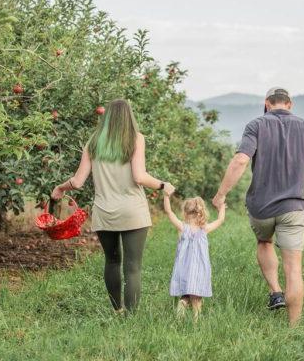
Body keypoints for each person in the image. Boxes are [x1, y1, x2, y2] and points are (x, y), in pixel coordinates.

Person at [212, 87, 304, 327]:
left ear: (267, 103)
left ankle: (275, 291)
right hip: (293, 207)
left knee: (265, 242)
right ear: (289, 104)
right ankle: (294, 327)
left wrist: (220, 195)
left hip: (261, 207)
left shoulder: (256, 125)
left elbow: (240, 160)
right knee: (294, 269)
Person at [51, 99, 175, 313]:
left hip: (104, 211)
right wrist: (163, 185)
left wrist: (60, 188)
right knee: (133, 267)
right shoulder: (136, 139)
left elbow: (78, 181)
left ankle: (117, 310)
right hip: (132, 212)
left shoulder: (94, 141)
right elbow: (139, 176)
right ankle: (131, 317)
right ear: (129, 116)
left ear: (106, 117)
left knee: (112, 261)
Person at [163, 194, 226, 320]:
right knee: (197, 295)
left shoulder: (182, 228)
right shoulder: (204, 229)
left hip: (183, 268)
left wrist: (166, 196)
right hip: (199, 269)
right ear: (201, 213)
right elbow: (220, 220)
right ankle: (196, 319)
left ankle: (183, 303)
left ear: (185, 213)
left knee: (186, 292)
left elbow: (169, 212)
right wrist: (222, 207)